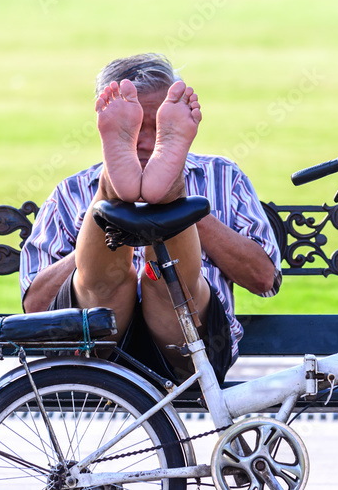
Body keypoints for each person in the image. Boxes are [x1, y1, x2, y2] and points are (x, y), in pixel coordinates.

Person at [20, 54, 281, 382]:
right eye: (133, 129)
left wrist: (184, 213)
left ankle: (167, 190)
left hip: (191, 348)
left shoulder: (222, 177)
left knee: (168, 280)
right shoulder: (70, 192)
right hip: (96, 348)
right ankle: (112, 190)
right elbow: (35, 306)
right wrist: (106, 238)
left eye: (158, 127)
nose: (145, 141)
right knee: (104, 279)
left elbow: (264, 279)